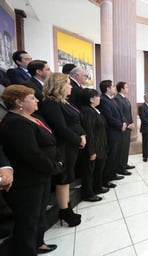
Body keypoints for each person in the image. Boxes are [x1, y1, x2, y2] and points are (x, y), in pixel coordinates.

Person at [0, 85, 62, 255]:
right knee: (27, 219)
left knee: (38, 214)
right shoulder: (15, 122)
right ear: (19, 102)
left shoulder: (31, 117)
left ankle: (38, 243)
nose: (36, 100)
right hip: (27, 180)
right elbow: (31, 154)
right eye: (32, 98)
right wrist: (54, 167)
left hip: (40, 176)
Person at [40, 73, 84, 227]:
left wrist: (82, 134)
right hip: (62, 147)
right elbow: (60, 128)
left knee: (67, 178)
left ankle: (67, 208)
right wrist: (79, 139)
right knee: (63, 179)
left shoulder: (63, 102)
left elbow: (75, 121)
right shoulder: (50, 103)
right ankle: (65, 211)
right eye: (68, 83)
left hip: (70, 146)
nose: (71, 86)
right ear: (58, 85)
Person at [78, 89, 110, 202]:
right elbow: (89, 132)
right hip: (93, 146)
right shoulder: (87, 111)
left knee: (98, 169)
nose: (99, 98)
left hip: (100, 144)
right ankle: (88, 193)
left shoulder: (95, 110)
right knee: (89, 171)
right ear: (91, 99)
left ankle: (98, 187)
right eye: (97, 96)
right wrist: (91, 151)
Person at [97, 80, 126, 187]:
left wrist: (123, 123)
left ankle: (113, 173)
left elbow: (120, 113)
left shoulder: (112, 99)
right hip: (111, 132)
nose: (114, 88)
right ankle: (106, 179)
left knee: (115, 154)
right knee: (111, 156)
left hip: (118, 130)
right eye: (113, 86)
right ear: (108, 89)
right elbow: (109, 118)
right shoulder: (103, 100)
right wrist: (120, 125)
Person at [115, 81, 135, 174]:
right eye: (126, 87)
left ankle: (125, 163)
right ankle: (121, 167)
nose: (128, 89)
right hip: (123, 127)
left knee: (126, 147)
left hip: (128, 126)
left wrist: (132, 122)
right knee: (122, 148)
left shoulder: (125, 98)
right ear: (122, 89)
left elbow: (128, 113)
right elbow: (121, 114)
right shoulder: (117, 99)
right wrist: (128, 124)